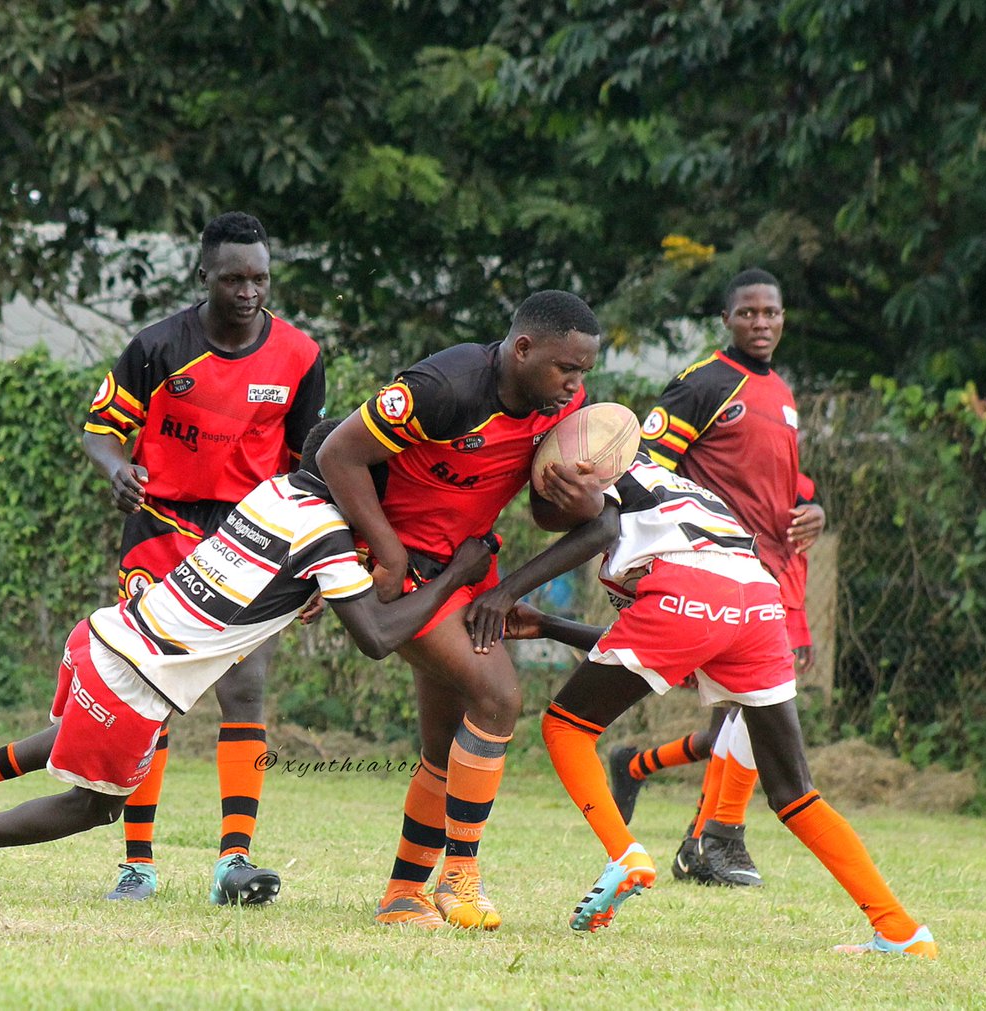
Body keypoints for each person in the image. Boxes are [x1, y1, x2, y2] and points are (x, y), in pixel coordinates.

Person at [0, 420, 497, 902]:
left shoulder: (279, 492)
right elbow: (377, 637)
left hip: (101, 635)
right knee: (95, 804)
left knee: (75, 738)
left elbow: (277, 576)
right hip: (137, 676)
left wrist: (316, 592)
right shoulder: (329, 533)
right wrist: (456, 577)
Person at [464, 449, 937, 958]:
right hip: (758, 597)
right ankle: (900, 929)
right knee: (795, 791)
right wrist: (552, 626)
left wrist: (507, 591)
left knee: (565, 726)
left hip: (688, 591)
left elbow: (614, 546)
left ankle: (624, 853)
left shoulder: (604, 476)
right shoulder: (670, 487)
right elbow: (672, 642)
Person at [316, 290, 604, 930]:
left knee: (445, 747)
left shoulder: (565, 408)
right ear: (522, 349)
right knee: (499, 696)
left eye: (584, 372)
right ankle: (461, 878)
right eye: (566, 368)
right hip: (408, 570)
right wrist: (387, 552)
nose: (574, 385)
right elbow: (337, 454)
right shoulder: (443, 387)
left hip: (471, 566)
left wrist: (572, 503)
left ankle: (400, 896)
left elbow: (561, 519)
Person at [81, 210, 324, 902]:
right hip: (161, 527)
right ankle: (137, 863)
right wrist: (114, 469)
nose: (249, 291)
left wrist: (317, 563)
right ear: (205, 277)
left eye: (261, 278)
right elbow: (102, 430)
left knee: (244, 690)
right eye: (235, 278)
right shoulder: (157, 347)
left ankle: (234, 862)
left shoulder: (302, 356)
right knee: (148, 693)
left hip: (254, 536)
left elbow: (311, 467)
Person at [605, 268, 825, 886]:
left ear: (783, 319)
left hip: (773, 569)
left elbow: (779, 482)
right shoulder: (703, 383)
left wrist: (814, 508)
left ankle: (661, 790)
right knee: (757, 707)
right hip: (717, 564)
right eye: (749, 313)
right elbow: (643, 466)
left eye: (772, 313)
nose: (761, 323)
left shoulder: (780, 391)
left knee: (742, 710)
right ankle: (712, 841)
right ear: (726, 320)